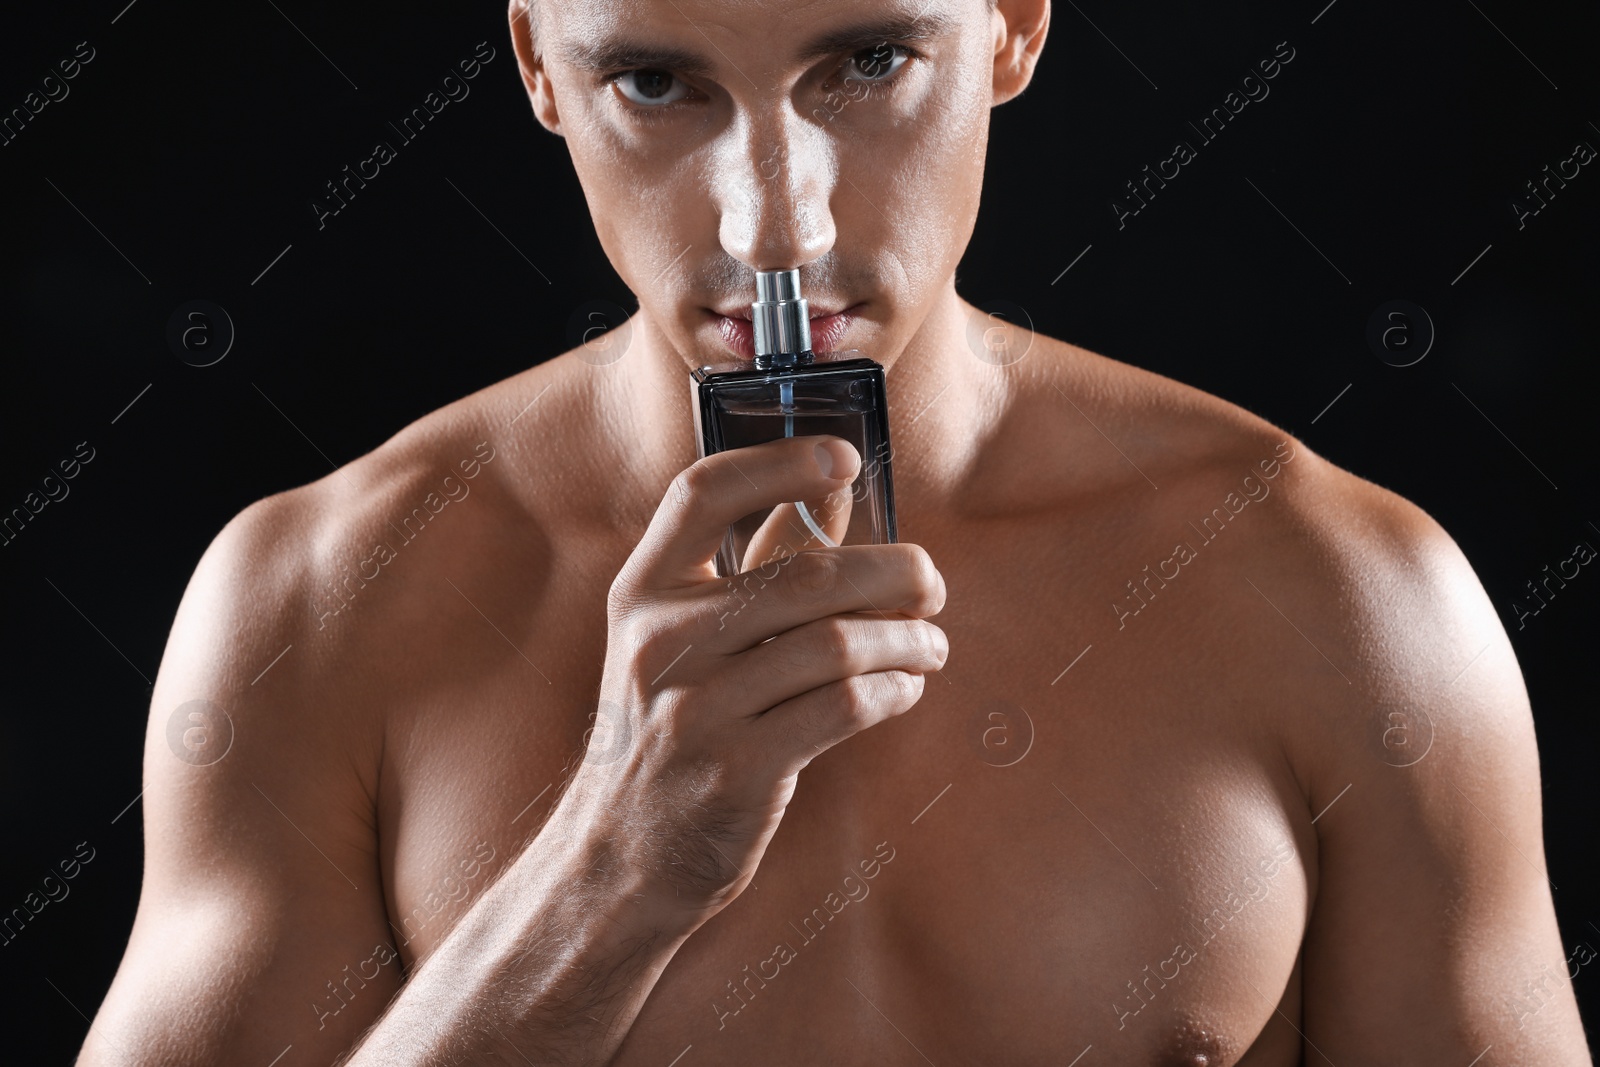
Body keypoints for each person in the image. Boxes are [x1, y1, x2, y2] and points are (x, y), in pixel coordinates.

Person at [80, 0, 1591, 1063]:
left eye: (867, 61)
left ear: (1008, 21)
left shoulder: (1340, 594)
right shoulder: (320, 602)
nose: (776, 226)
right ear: (539, 60)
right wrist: (609, 870)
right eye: (658, 83)